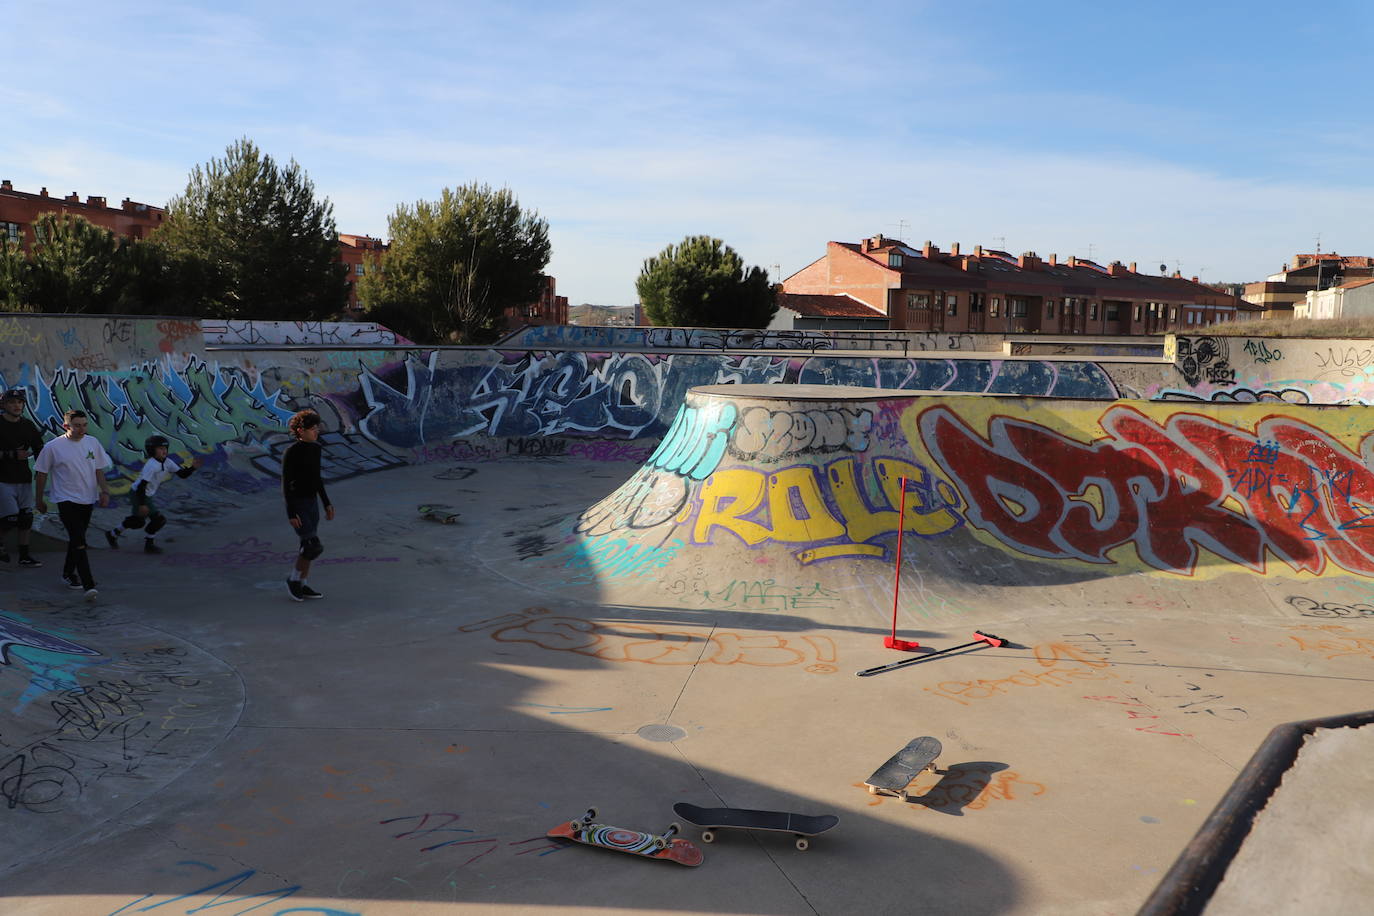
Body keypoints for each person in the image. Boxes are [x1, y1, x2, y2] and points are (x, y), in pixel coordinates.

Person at [33, 409, 111, 601]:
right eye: (77, 425)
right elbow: (41, 473)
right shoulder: (53, 447)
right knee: (79, 540)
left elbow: (98, 469)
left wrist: (105, 491)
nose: (81, 429)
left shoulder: (92, 443)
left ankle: (68, 573)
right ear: (66, 426)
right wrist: (39, 499)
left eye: (84, 425)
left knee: (77, 539)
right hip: (65, 500)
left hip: (88, 499)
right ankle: (88, 584)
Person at [105, 435, 203, 554]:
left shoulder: (168, 462)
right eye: (160, 448)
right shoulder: (151, 465)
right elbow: (141, 486)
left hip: (147, 494)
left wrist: (193, 468)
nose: (164, 450)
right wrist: (142, 505)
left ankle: (114, 534)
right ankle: (141, 543)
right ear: (152, 450)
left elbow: (182, 474)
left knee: (150, 520)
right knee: (146, 521)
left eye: (165, 448)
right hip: (138, 493)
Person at [282, 409, 333, 601]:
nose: (316, 432)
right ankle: (293, 580)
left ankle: (303, 584)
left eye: (317, 429)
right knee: (313, 546)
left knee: (307, 546)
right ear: (301, 430)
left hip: (312, 503)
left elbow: (317, 478)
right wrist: (291, 512)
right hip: (298, 503)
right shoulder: (291, 452)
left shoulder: (316, 448)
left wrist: (326, 503)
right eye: (312, 429)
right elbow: (285, 484)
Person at [0, 388, 47, 568]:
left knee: (26, 518)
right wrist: (11, 455)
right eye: (12, 402)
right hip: (3, 479)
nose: (17, 405)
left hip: (24, 479)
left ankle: (24, 556)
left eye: (20, 402)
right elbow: (15, 454)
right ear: (4, 405)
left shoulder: (27, 425)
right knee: (10, 519)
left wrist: (40, 469)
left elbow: (39, 449)